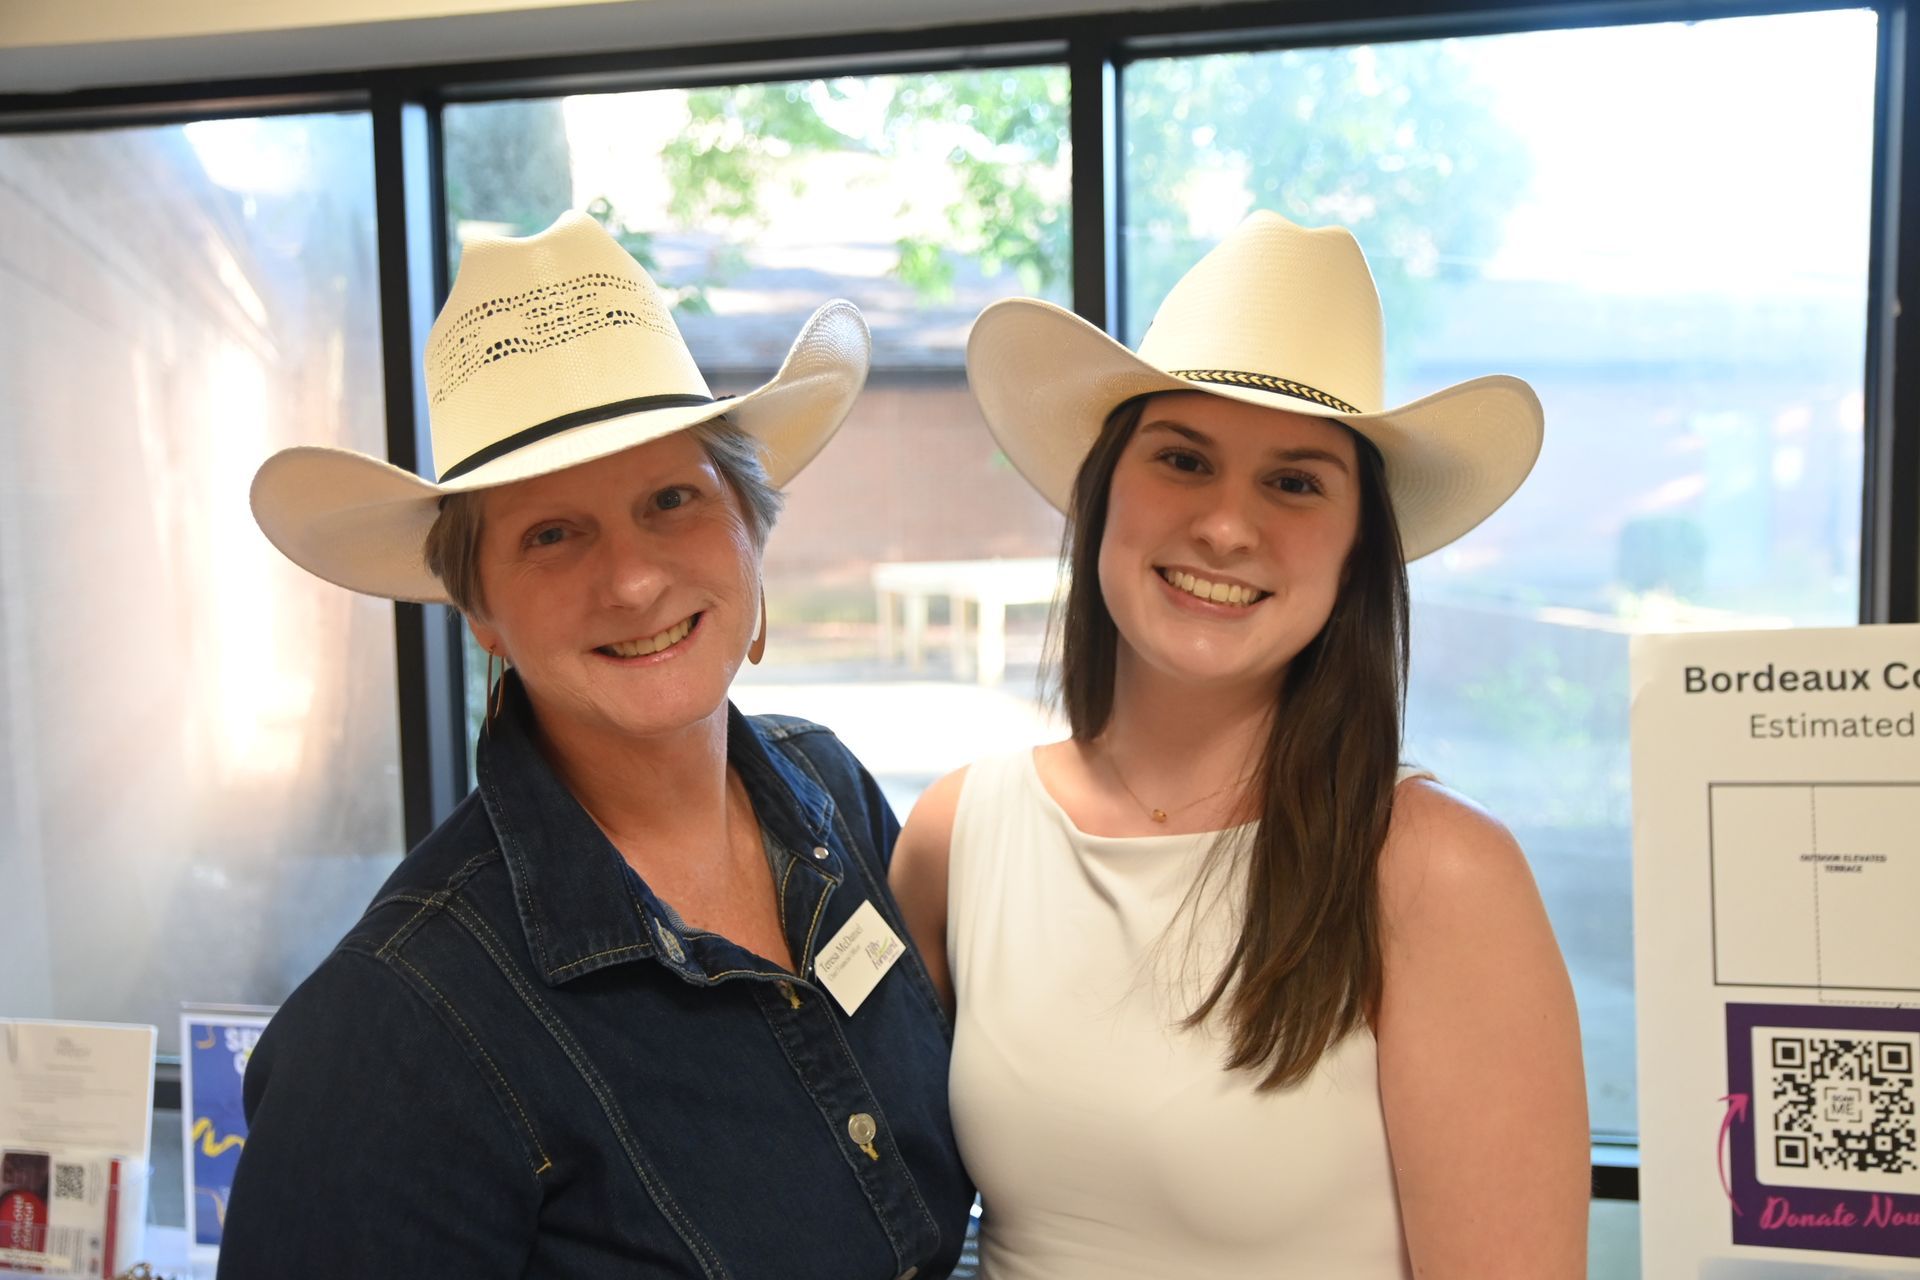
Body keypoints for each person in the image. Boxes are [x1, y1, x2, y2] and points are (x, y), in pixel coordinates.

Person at [223, 211, 970, 1279]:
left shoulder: (832, 795)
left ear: (752, 528)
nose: (632, 580)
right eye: (552, 534)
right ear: (481, 610)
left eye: (672, 499)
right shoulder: (393, 1023)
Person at [891, 211, 1589, 1278]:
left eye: (1295, 481)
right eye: (1183, 459)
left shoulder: (1433, 870)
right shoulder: (960, 833)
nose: (1225, 526)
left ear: (1357, 551)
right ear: (1104, 491)